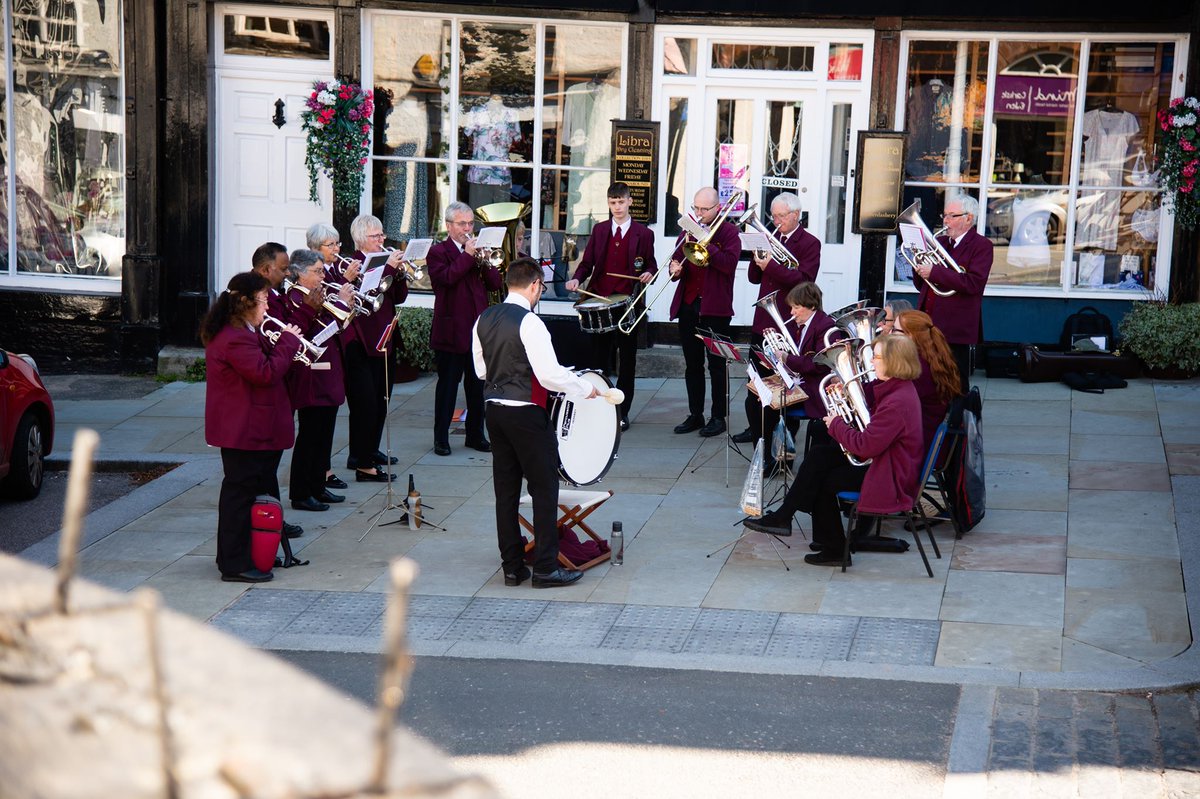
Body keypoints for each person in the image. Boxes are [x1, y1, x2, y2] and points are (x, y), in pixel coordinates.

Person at [472, 258, 600, 589]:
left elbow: (482, 371)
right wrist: (585, 389)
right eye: (541, 287)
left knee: (506, 489)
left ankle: (512, 567)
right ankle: (545, 567)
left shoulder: (483, 318)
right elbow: (549, 375)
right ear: (534, 285)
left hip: (494, 410)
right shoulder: (530, 322)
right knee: (544, 489)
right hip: (526, 413)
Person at [744, 334, 924, 567]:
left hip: (889, 473)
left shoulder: (897, 403)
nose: (871, 363)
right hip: (884, 461)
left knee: (825, 480)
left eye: (876, 358)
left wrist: (837, 424)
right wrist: (848, 392)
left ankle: (831, 546)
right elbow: (872, 423)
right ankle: (790, 520)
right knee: (819, 454)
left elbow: (865, 445)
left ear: (894, 362)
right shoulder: (898, 388)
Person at [201, 271, 302, 583]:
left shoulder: (243, 330)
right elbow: (264, 373)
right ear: (245, 303)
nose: (268, 308)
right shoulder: (235, 338)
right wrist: (289, 342)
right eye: (263, 301)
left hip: (250, 427)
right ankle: (234, 563)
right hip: (243, 429)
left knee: (249, 492)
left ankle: (250, 552)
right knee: (239, 496)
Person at [565, 182, 657, 430]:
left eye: (621, 202)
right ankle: (599, 405)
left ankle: (622, 412)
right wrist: (576, 278)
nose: (617, 207)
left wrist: (649, 273)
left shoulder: (644, 234)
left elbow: (651, 264)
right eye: (612, 202)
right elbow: (588, 263)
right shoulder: (600, 230)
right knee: (598, 360)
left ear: (629, 202)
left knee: (627, 361)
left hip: (627, 305)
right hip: (599, 301)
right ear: (608, 204)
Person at [733, 192, 820, 445]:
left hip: (787, 322)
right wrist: (757, 254)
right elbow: (754, 278)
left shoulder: (809, 243)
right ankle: (756, 429)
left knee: (785, 383)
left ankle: (785, 436)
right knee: (756, 380)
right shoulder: (770, 238)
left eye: (781, 216)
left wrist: (770, 265)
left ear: (796, 215)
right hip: (763, 320)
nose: (776, 221)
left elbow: (804, 279)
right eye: (773, 216)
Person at [250, 241, 317, 540]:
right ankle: (270, 518)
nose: (288, 272)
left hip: (283, 382)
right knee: (265, 463)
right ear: (266, 269)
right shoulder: (259, 298)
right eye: (283, 268)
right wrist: (307, 311)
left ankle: (273, 516)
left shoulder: (276, 293)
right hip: (271, 385)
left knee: (271, 460)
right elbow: (282, 335)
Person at [428, 201, 502, 456]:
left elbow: (495, 285)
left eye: (471, 223)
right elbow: (445, 280)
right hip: (450, 331)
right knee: (447, 388)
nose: (468, 228)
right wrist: (468, 256)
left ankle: (475, 435)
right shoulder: (438, 252)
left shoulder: (476, 251)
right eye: (462, 224)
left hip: (476, 332)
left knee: (476, 387)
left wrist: (487, 261)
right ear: (449, 226)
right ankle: (441, 438)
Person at [341, 214, 410, 482]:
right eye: (376, 236)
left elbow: (399, 297)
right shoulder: (356, 264)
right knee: (365, 404)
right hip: (361, 340)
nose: (382, 240)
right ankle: (360, 459)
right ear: (361, 239)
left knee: (382, 399)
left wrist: (401, 275)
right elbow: (368, 295)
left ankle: (369, 449)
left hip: (385, 338)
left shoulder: (385, 260)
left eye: (382, 234)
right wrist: (391, 269)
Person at [668, 186, 741, 438]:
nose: (698, 213)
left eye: (704, 209)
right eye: (696, 208)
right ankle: (695, 414)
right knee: (692, 364)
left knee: (717, 365)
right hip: (689, 305)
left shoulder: (730, 232)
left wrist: (707, 242)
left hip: (716, 309)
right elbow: (677, 259)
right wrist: (675, 268)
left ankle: (718, 417)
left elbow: (730, 265)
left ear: (717, 208)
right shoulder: (688, 230)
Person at [284, 249, 352, 513]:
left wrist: (344, 309)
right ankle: (301, 493)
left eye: (322, 271)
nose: (323, 276)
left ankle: (317, 486)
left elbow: (339, 326)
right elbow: (310, 336)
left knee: (324, 435)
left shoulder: (318, 295)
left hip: (329, 371)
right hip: (312, 374)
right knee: (310, 437)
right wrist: (342, 307)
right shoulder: (296, 298)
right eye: (317, 271)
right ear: (300, 273)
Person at [911, 195, 992, 392]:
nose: (945, 221)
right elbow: (921, 284)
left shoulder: (982, 246)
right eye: (944, 215)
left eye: (952, 216)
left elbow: (973, 283)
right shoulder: (940, 242)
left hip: (955, 325)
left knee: (955, 378)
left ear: (968, 218)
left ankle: (959, 420)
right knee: (925, 375)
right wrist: (918, 262)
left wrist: (935, 271)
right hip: (927, 321)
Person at [306, 223, 360, 491]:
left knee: (328, 420)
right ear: (316, 248)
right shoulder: (315, 277)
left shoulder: (330, 271)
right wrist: (346, 283)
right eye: (332, 245)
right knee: (316, 426)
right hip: (322, 354)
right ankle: (319, 474)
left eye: (338, 244)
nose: (338, 249)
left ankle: (323, 471)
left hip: (337, 349)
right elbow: (326, 312)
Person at [893, 310, 962, 452]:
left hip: (913, 448)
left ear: (911, 336)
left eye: (895, 330)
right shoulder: (930, 359)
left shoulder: (917, 369)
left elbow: (890, 404)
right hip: (921, 439)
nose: (888, 334)